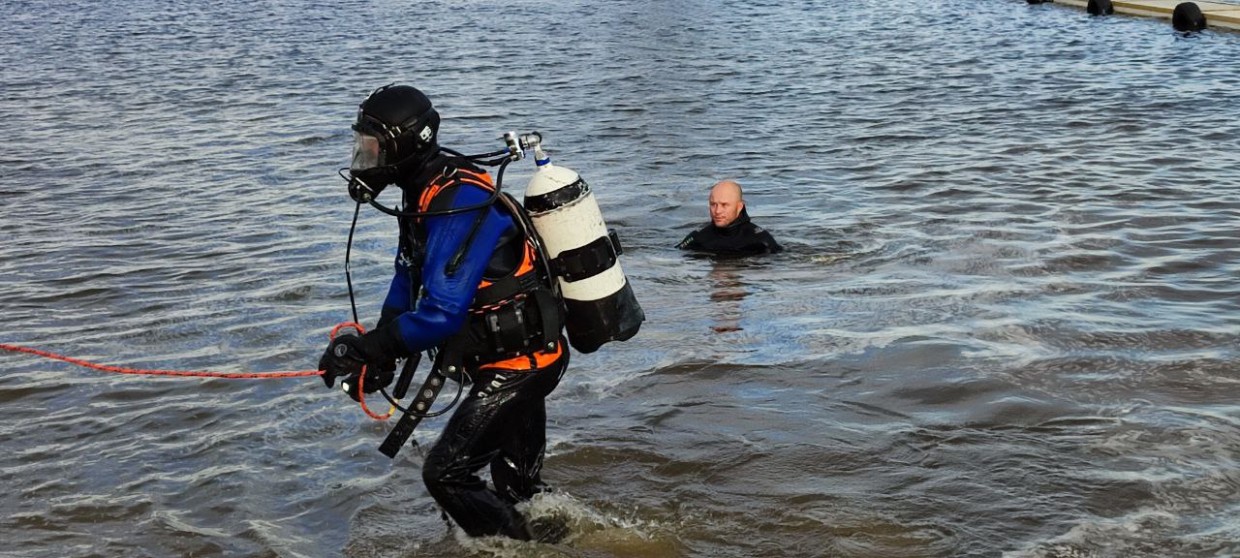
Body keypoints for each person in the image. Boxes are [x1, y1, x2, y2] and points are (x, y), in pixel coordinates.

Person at [316, 84, 569, 542]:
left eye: (373, 149)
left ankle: (526, 552)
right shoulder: (424, 195)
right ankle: (564, 539)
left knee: (447, 474)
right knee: (519, 489)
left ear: (406, 146)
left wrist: (366, 348)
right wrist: (378, 356)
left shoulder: (458, 201)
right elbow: (404, 285)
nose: (363, 161)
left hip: (522, 364)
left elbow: (441, 316)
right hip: (517, 352)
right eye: (361, 148)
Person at [676, 179, 782, 255]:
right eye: (713, 204)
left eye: (724, 205)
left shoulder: (760, 240)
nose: (717, 211)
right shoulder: (698, 237)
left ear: (739, 206)